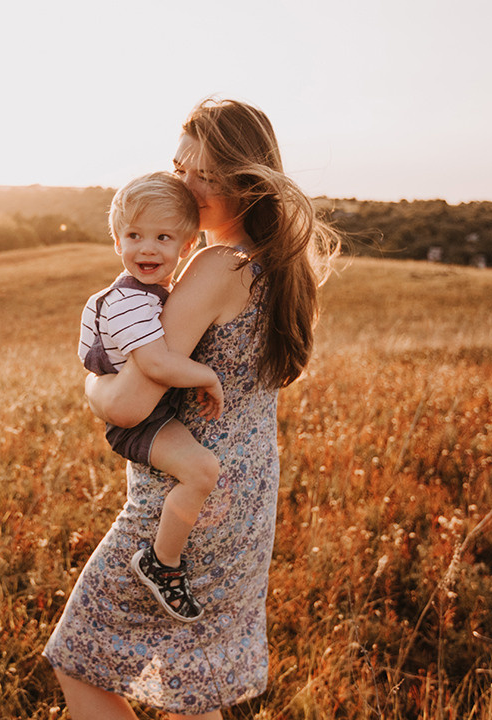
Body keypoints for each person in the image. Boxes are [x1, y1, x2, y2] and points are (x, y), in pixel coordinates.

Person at [44, 98, 338, 719]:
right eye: (180, 167)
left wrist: (92, 385)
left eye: (205, 175)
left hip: (184, 503)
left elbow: (128, 405)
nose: (185, 185)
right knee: (190, 681)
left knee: (78, 658)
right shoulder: (281, 263)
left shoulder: (214, 265)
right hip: (245, 500)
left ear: (245, 183)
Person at [80, 171, 223, 623]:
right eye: (134, 236)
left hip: (154, 413)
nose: (147, 249)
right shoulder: (129, 301)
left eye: (163, 237)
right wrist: (207, 376)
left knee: (200, 470)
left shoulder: (155, 294)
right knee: (201, 472)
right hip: (140, 422)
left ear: (186, 246)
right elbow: (156, 364)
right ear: (117, 242)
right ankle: (163, 563)